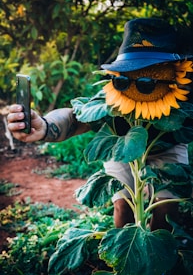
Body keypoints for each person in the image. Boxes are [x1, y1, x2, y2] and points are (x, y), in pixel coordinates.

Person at [7, 18, 193, 231]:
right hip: (120, 148)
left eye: (148, 80)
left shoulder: (186, 101)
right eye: (125, 77)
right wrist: (46, 126)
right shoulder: (115, 94)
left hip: (166, 146)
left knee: (167, 209)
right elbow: (76, 117)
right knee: (123, 205)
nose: (132, 85)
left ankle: (158, 255)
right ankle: (123, 254)